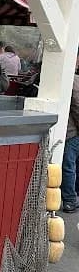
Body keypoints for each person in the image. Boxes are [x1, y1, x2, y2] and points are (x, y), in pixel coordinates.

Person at [60, 49, 79, 213]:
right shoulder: (74, 81)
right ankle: (70, 200)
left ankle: (69, 198)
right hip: (71, 131)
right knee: (69, 165)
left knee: (67, 164)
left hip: (65, 130)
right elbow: (77, 106)